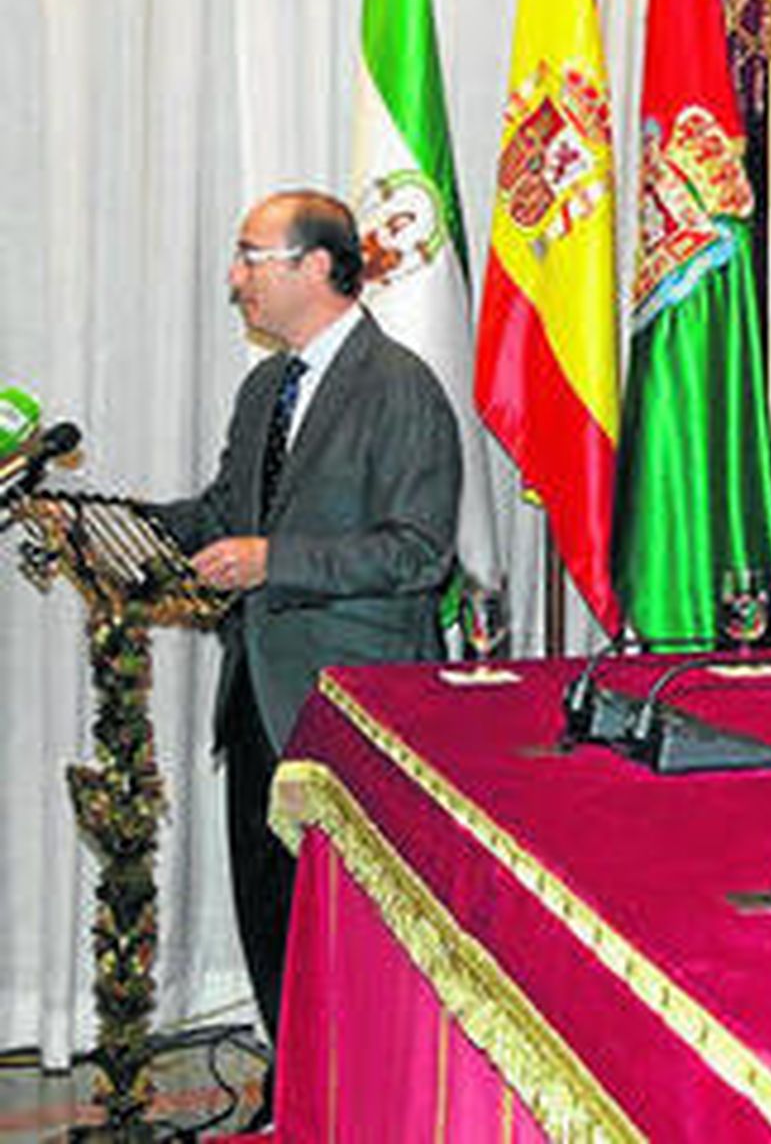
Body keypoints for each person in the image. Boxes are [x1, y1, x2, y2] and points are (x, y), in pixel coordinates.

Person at [151, 189, 462, 1096]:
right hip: (257, 692)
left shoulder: (400, 387)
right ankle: (297, 1094)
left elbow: (418, 551)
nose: (235, 277)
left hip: (353, 710)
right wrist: (114, 526)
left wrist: (272, 559)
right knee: (268, 908)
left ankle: (351, 1102)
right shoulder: (264, 388)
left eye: (253, 256)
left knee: (342, 929)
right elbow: (218, 516)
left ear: (317, 268)